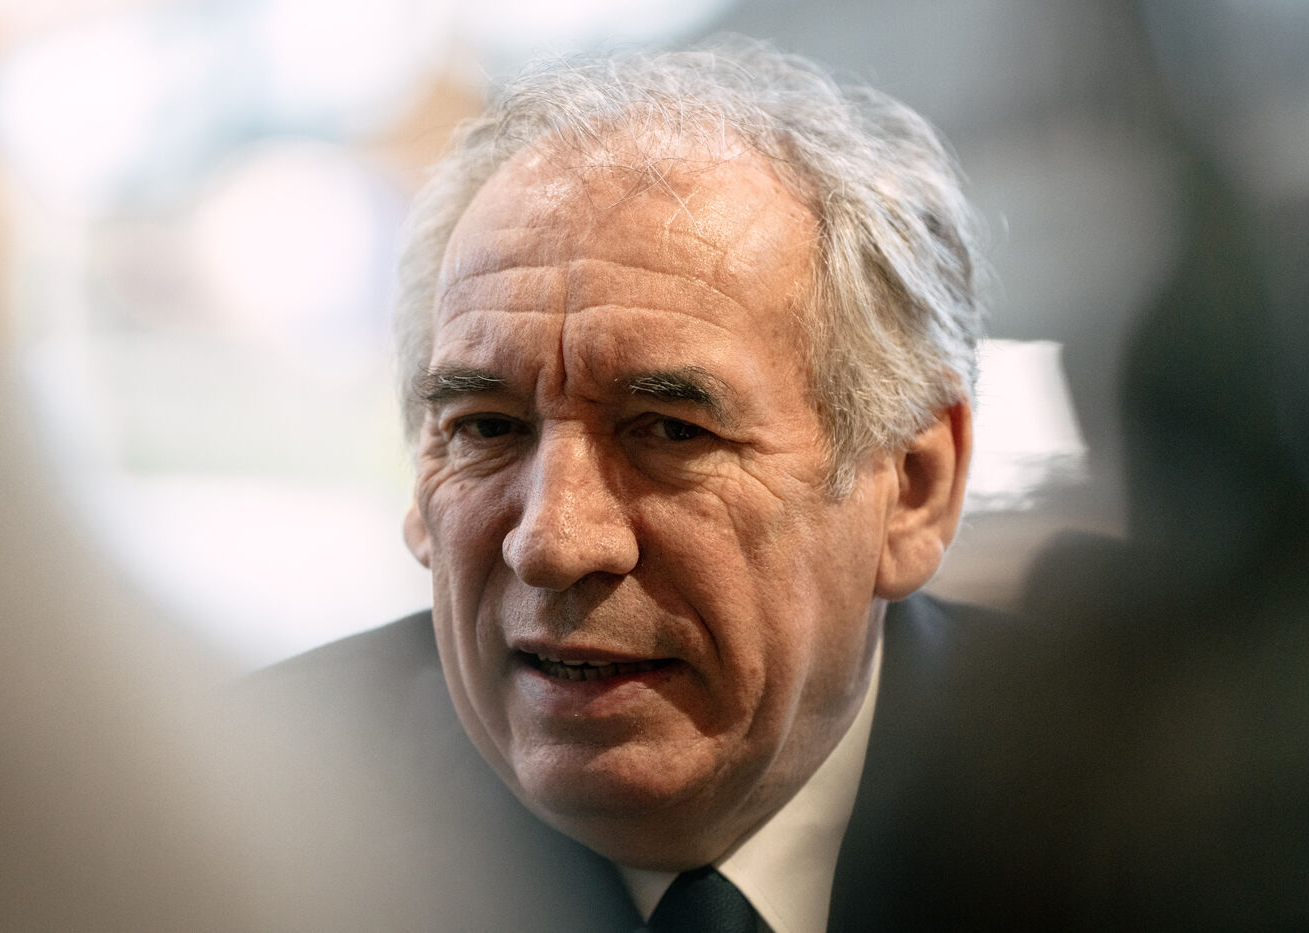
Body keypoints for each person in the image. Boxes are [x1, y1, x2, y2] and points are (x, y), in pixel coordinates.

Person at [247, 39, 995, 932]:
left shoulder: (1116, 800)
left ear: (913, 487)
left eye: (671, 430)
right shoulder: (229, 821)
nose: (553, 541)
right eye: (487, 428)